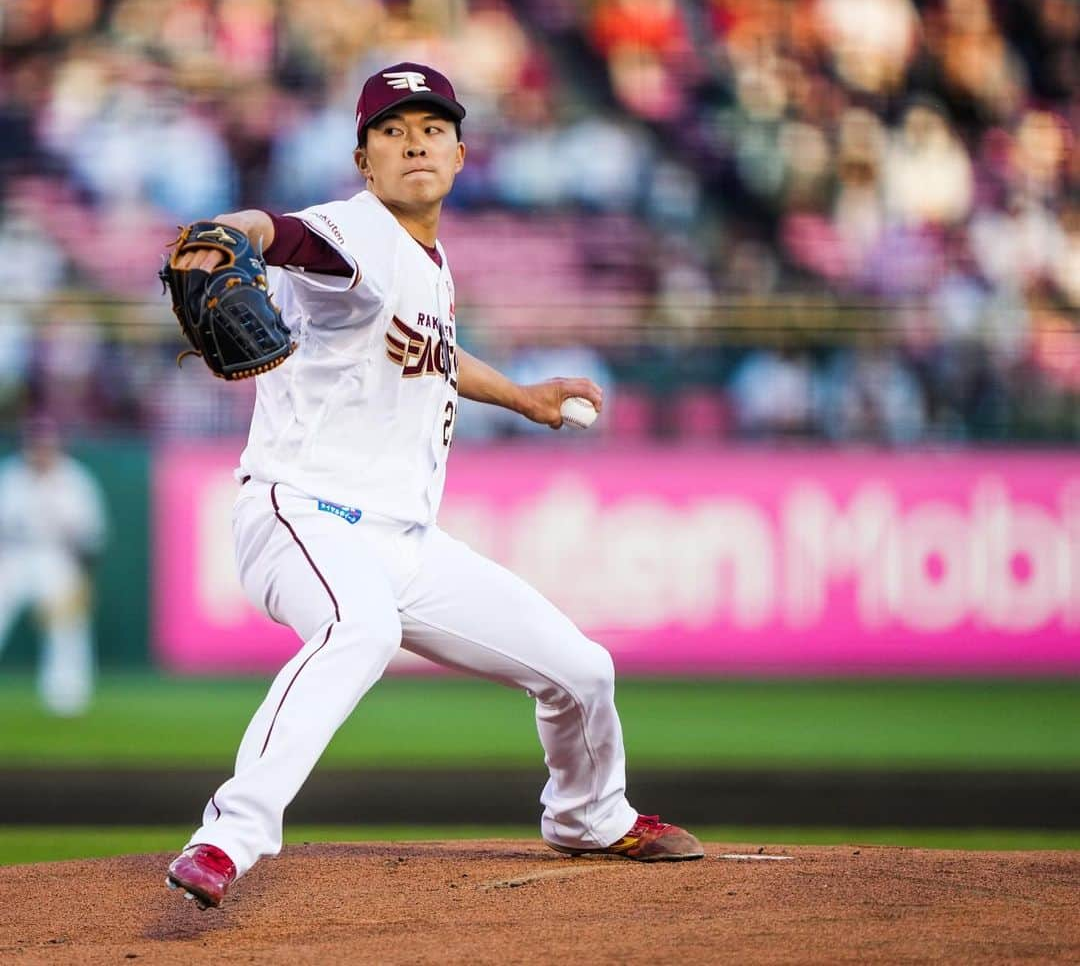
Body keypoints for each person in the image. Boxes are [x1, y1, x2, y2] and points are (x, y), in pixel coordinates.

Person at [165, 62, 703, 910]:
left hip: (404, 541)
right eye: (391, 130)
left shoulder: (428, 263)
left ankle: (589, 815)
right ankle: (226, 839)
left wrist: (523, 396)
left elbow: (436, 355)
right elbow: (275, 232)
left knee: (582, 671)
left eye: (432, 128)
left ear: (459, 156)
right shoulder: (354, 231)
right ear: (363, 159)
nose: (414, 139)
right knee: (360, 630)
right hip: (300, 512)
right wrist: (219, 231)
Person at [0, 416, 107, 716]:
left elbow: (90, 536)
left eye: (45, 444)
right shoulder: (11, 476)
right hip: (13, 557)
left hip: (57, 557)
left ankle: (66, 695)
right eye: (35, 444)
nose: (40, 450)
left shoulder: (75, 480)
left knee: (67, 624)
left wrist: (85, 580)